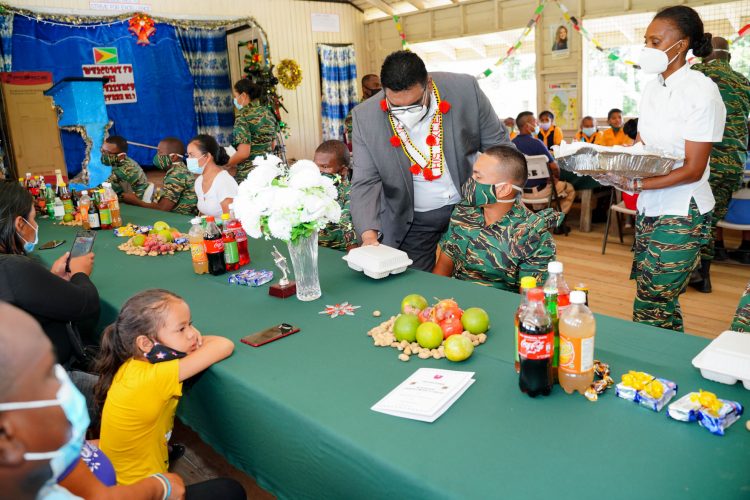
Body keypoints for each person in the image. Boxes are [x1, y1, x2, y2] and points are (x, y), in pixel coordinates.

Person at [597, 6, 725, 332]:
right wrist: (613, 159)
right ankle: (670, 367)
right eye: (646, 41)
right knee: (658, 294)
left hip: (684, 207)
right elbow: (645, 147)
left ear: (680, 45)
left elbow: (694, 169)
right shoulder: (653, 88)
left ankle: (649, 371)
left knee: (652, 298)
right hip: (651, 206)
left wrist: (637, 186)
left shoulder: (701, 91)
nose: (647, 49)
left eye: (655, 42)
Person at [0, 302, 187, 500]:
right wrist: (161, 486)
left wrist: (107, 443)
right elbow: (101, 497)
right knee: (223, 489)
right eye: (46, 376)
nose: (64, 384)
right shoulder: (34, 464)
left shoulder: (43, 448)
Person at [350, 50, 511, 271]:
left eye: (415, 103)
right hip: (414, 219)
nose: (406, 112)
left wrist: (505, 203)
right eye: (395, 106)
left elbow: (499, 147)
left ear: (428, 83)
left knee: (478, 276)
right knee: (416, 284)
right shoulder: (365, 117)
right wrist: (368, 237)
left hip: (471, 209)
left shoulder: (465, 90)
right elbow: (365, 181)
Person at [96, 290, 243, 499]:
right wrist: (198, 344)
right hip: (145, 493)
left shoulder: (133, 366)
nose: (192, 333)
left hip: (123, 486)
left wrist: (186, 339)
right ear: (146, 344)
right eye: (181, 329)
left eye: (191, 324)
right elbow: (223, 345)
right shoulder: (157, 377)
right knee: (230, 491)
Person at [0, 181, 99, 369]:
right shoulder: (13, 268)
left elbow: (25, 299)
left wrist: (51, 278)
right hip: (41, 380)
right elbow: (87, 304)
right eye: (33, 219)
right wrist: (80, 273)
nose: (36, 225)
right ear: (20, 223)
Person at [434, 146, 560, 290]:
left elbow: (530, 302)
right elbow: (442, 269)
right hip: (454, 304)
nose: (470, 182)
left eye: (478, 177)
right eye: (472, 175)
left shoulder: (533, 235)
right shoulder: (464, 211)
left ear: (503, 189)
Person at [690, 36, 750, 290]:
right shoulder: (744, 81)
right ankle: (703, 275)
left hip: (704, 162)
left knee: (695, 220)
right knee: (711, 220)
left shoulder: (698, 74)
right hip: (734, 165)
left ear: (705, 54)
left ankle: (698, 275)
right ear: (730, 57)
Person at [512, 111, 576, 215]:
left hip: (520, 192)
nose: (537, 125)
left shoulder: (511, 144)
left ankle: (535, 216)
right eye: (535, 122)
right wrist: (555, 178)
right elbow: (554, 167)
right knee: (569, 189)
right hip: (541, 191)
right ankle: (556, 222)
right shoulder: (537, 143)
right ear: (527, 126)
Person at [121, 137, 198, 216]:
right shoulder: (181, 169)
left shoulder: (176, 175)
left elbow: (163, 208)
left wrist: (135, 201)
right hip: (187, 214)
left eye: (160, 153)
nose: (157, 156)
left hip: (180, 218)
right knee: (156, 191)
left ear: (173, 157)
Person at [225, 78, 278, 183]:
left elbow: (244, 153)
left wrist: (226, 165)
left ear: (243, 96)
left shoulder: (243, 116)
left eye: (235, 96)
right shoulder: (268, 113)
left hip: (249, 176)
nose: (235, 100)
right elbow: (273, 145)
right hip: (268, 171)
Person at [313, 140, 357, 251]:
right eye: (315, 165)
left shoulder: (349, 194)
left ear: (343, 171)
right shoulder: (312, 187)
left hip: (337, 255)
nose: (319, 171)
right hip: (314, 250)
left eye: (325, 167)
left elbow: (349, 230)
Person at [190, 134, 238, 218]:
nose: (188, 159)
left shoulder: (224, 182)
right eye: (188, 155)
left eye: (192, 155)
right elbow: (204, 215)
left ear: (207, 156)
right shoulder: (199, 181)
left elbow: (231, 222)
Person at [345, 74, 382, 147]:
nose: (379, 88)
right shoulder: (355, 113)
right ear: (365, 89)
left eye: (380, 85)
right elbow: (353, 140)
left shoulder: (384, 107)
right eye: (376, 85)